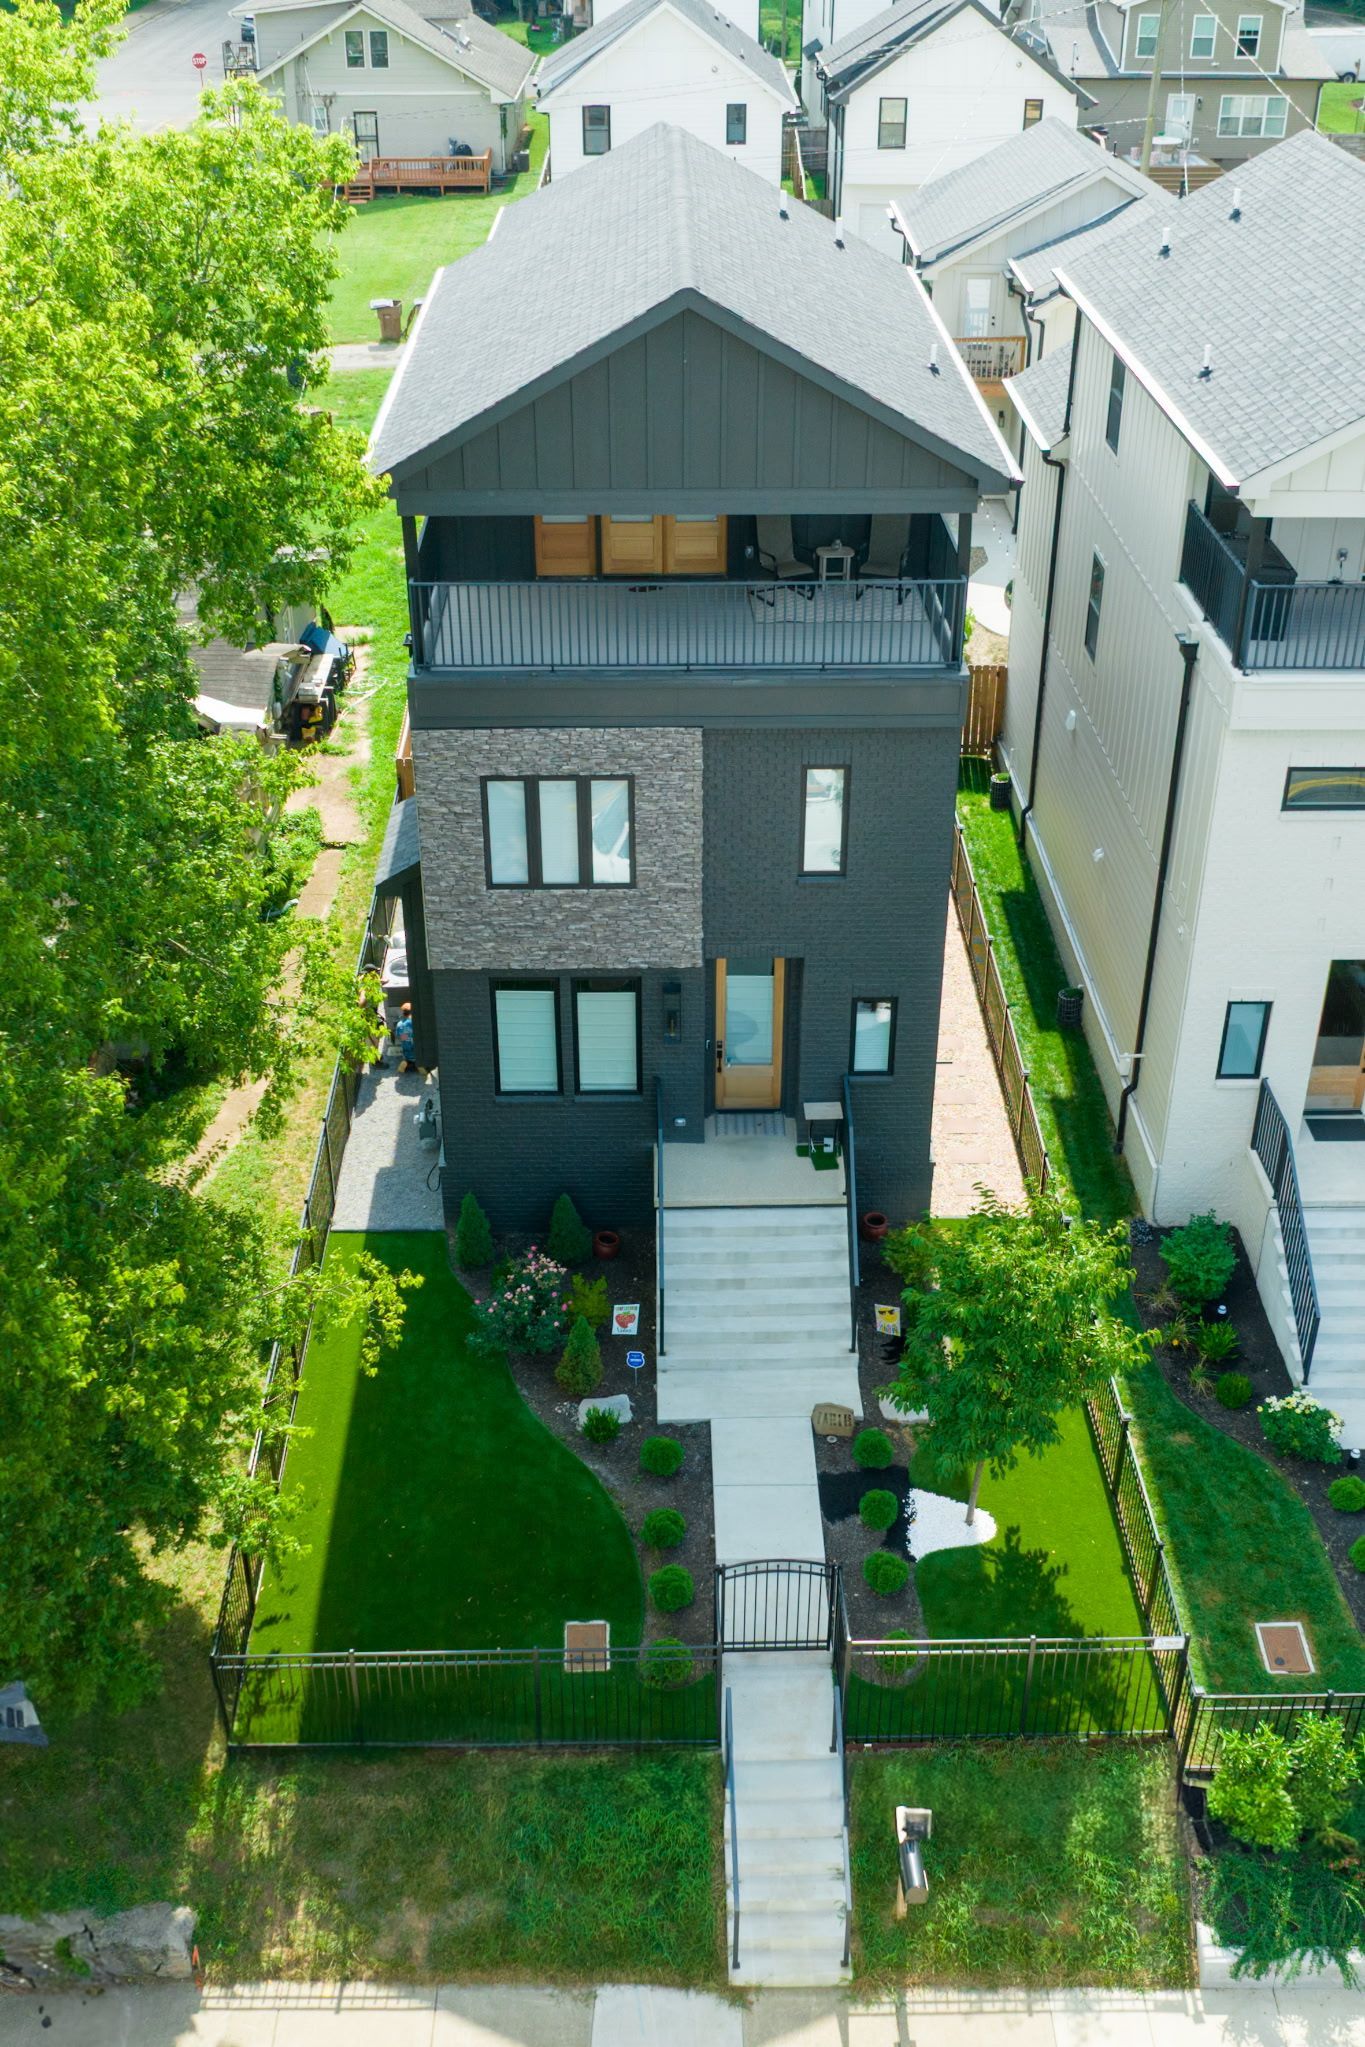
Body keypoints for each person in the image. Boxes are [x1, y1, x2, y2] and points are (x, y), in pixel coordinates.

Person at [394, 1002, 419, 1073]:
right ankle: (419, 1065)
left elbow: (399, 1037)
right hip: (417, 1052)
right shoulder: (416, 1023)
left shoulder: (400, 1024)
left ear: (403, 1013)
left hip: (406, 1052)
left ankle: (407, 1062)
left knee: (406, 1040)